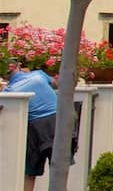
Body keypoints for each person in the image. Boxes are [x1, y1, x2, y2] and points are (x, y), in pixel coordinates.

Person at [5, 57, 60, 190]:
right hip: (59, 120)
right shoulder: (38, 75)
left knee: (29, 173)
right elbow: (56, 85)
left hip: (36, 129)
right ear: (19, 66)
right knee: (59, 169)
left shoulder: (9, 91)